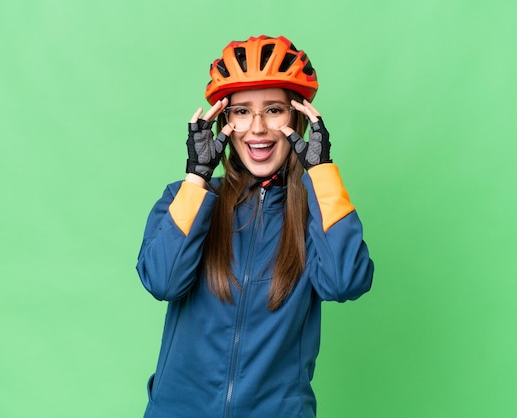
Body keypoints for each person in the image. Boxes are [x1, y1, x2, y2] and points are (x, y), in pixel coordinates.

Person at [136, 35, 374, 418]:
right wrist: (197, 178)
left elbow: (344, 282)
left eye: (274, 110)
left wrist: (322, 173)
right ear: (223, 121)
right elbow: (162, 280)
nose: (258, 128)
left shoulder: (318, 213)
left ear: (297, 118)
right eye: (242, 112)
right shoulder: (185, 199)